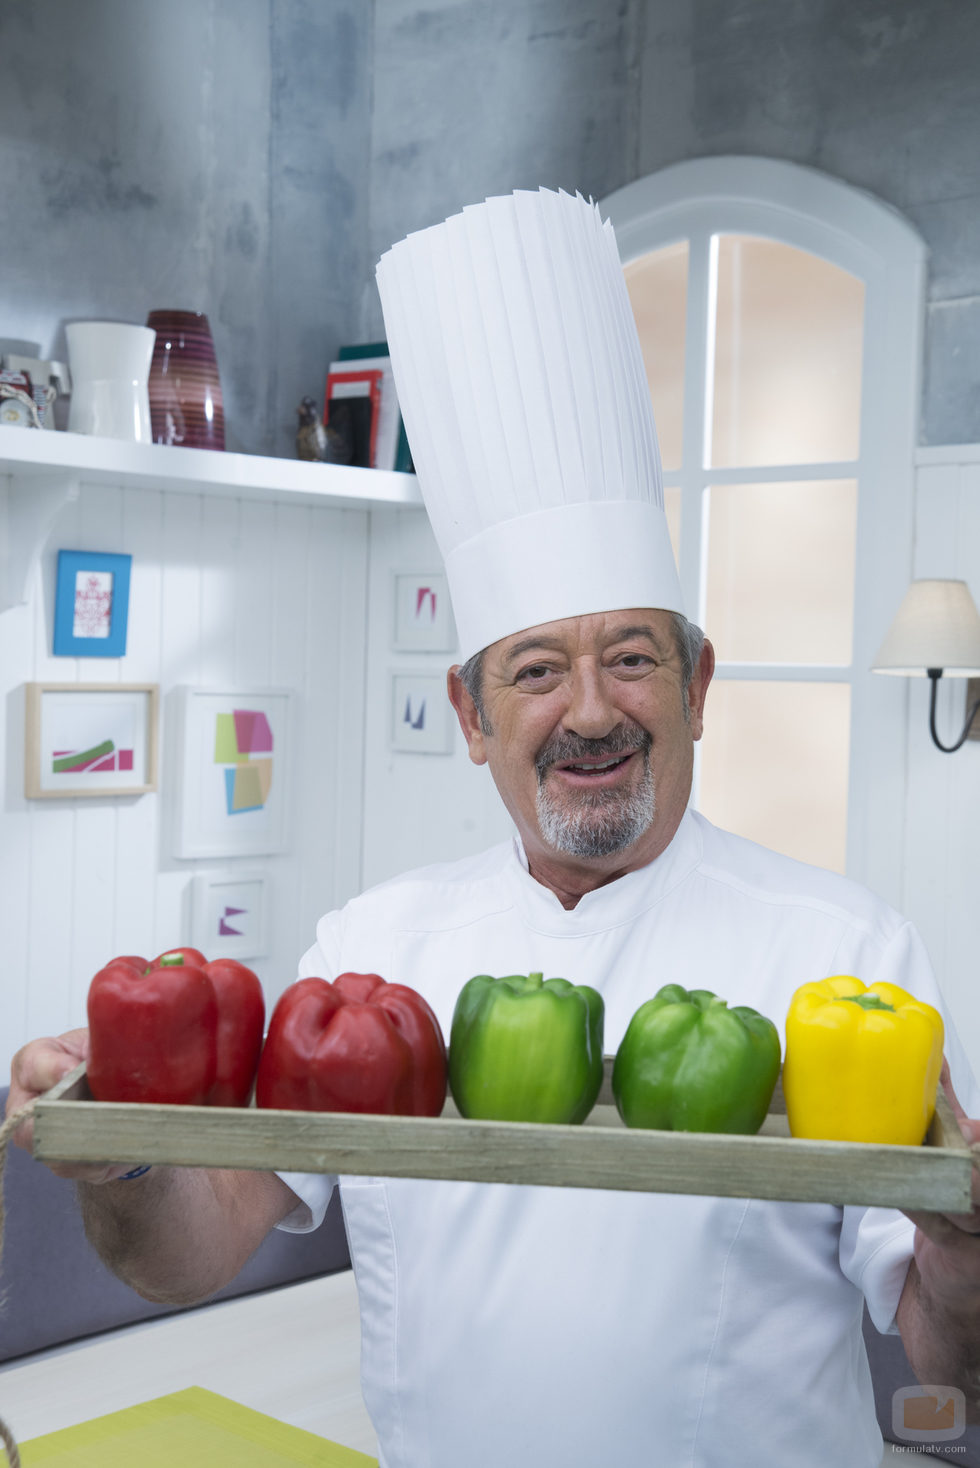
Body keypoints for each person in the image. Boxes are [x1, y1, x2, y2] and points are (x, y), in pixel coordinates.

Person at [9, 190, 980, 1467]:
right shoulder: (376, 947)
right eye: (532, 672)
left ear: (697, 688)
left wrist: (963, 1240)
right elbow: (194, 1259)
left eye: (630, 659)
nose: (588, 711)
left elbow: (941, 1356)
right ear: (470, 714)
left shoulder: (840, 949)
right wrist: (121, 1163)